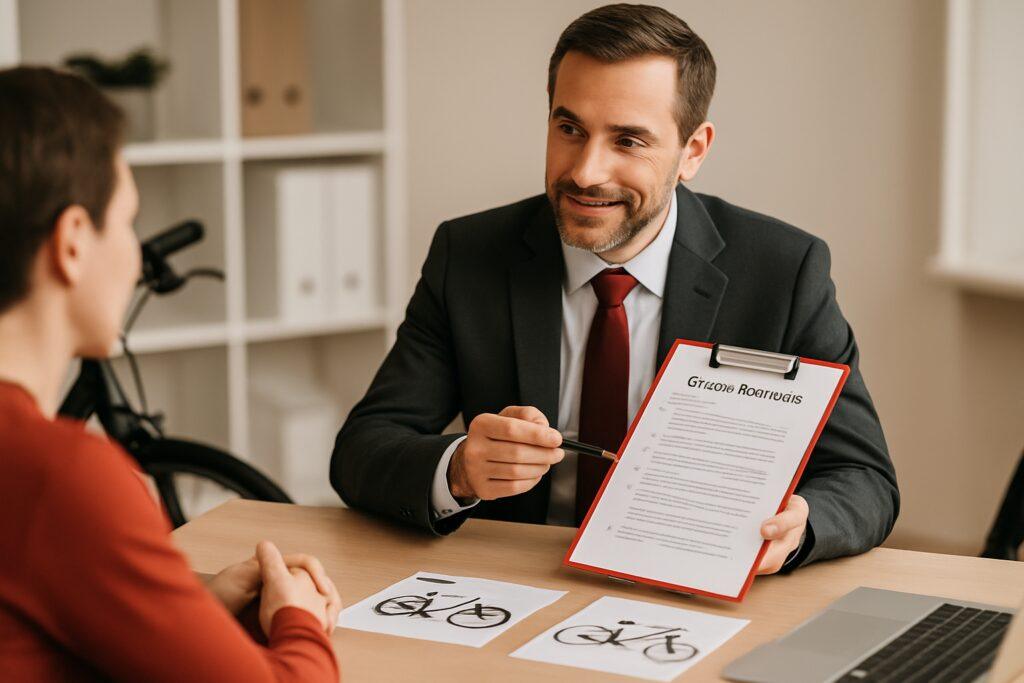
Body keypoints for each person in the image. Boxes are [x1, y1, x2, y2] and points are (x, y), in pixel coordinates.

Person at [332, 3, 899, 573]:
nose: (586, 172)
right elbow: (362, 448)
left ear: (693, 151)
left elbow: (863, 477)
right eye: (570, 129)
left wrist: (799, 530)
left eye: (627, 141)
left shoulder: (783, 270)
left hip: (691, 579)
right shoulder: (469, 254)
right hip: (516, 577)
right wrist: (458, 470)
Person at [0, 66, 341, 681]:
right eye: (127, 222)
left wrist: (194, 613)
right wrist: (301, 622)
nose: (135, 255)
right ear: (72, 242)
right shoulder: (60, 474)